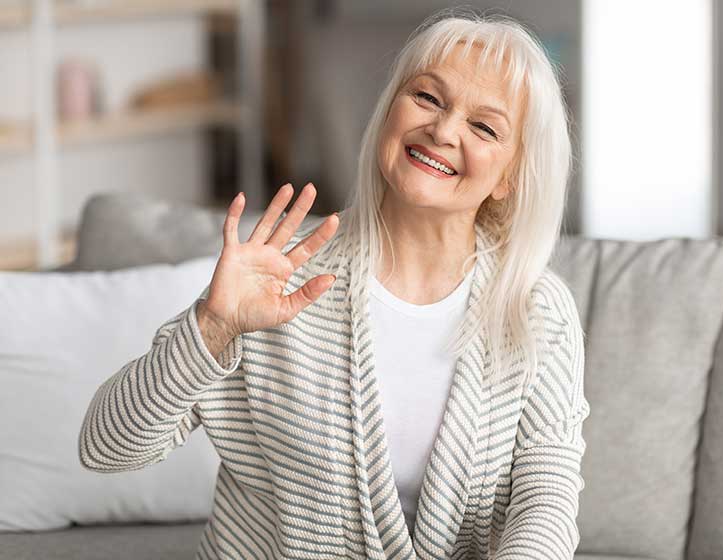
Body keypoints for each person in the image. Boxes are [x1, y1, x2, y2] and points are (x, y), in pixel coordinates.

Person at [78, 8, 590, 560]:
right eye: (427, 97)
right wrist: (212, 326)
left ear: (511, 176)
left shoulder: (536, 310)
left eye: (484, 127)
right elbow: (107, 448)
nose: (442, 131)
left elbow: (547, 494)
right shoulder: (277, 283)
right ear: (390, 108)